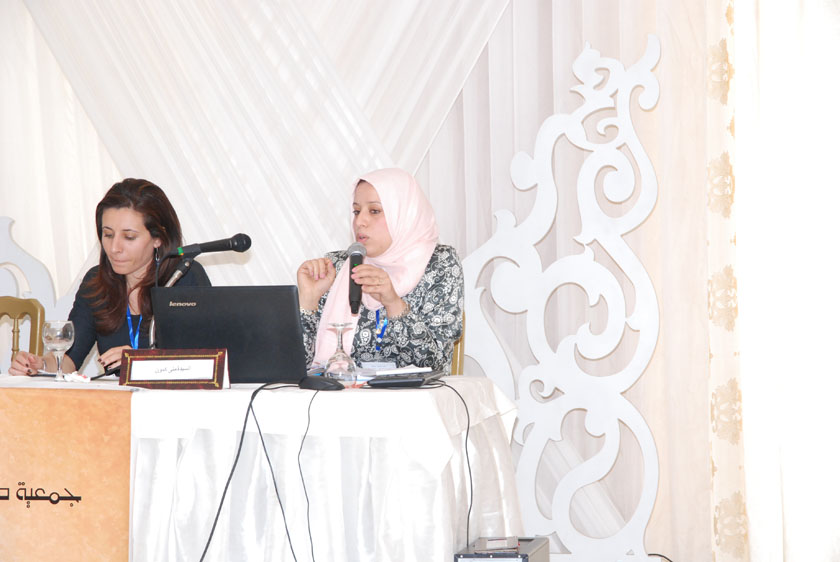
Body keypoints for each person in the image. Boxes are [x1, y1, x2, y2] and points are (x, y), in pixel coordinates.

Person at [9, 178, 210, 376]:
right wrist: (40, 365)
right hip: (116, 397)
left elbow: (208, 361)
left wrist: (141, 361)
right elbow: (69, 360)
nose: (114, 248)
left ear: (158, 238)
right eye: (108, 235)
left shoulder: (184, 276)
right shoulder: (96, 282)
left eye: (129, 237)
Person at [297, 168, 463, 371]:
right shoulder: (335, 267)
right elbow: (296, 365)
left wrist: (394, 304)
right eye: (356, 211)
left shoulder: (440, 263)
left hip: (411, 392)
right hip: (341, 390)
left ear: (404, 213)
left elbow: (434, 364)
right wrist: (308, 302)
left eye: (374, 211)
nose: (359, 221)